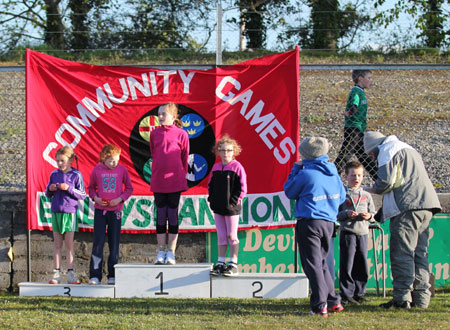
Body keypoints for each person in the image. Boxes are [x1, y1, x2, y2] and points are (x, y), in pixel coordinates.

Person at [363, 131, 441, 309]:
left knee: (402, 253)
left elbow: (385, 182)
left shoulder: (387, 149)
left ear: (375, 148)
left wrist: (369, 189)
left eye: (371, 155)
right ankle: (421, 300)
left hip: (407, 208)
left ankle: (402, 298)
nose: (373, 160)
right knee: (420, 254)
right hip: (427, 205)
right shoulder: (408, 148)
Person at [284, 137, 346, 317]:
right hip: (329, 223)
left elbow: (289, 190)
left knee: (313, 265)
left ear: (307, 155)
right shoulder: (333, 172)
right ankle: (333, 300)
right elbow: (341, 197)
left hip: (309, 222)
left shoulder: (306, 174)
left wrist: (295, 169)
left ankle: (320, 306)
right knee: (323, 263)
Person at [150, 103, 189, 265]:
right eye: (158, 114)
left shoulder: (182, 134)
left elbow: (185, 158)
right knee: (160, 215)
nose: (160, 117)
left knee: (172, 215)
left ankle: (171, 252)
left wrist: (179, 175)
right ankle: (161, 251)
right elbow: (154, 153)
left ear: (173, 117)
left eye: (163, 114)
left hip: (175, 181)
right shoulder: (154, 134)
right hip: (159, 181)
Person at [88, 144, 133, 285]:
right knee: (98, 243)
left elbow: (129, 188)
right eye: (111, 161)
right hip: (100, 211)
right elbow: (91, 188)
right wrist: (96, 198)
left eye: (117, 160)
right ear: (104, 159)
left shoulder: (122, 170)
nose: (115, 163)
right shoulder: (97, 170)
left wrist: (119, 199)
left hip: (116, 212)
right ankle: (95, 275)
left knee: (114, 243)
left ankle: (112, 274)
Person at [45, 146, 86, 284]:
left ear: (70, 161)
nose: (59, 163)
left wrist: (68, 188)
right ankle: (56, 273)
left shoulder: (76, 175)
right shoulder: (54, 174)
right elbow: (47, 193)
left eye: (62, 160)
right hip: (56, 212)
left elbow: (82, 195)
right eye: (57, 161)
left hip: (70, 213)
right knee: (57, 244)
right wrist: (50, 189)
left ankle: (70, 273)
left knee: (69, 245)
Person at [208, 135, 247, 277]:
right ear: (218, 151)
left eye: (229, 150)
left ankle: (233, 263)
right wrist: (212, 199)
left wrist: (234, 202)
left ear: (234, 151)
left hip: (232, 208)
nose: (226, 153)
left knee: (232, 235)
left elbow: (242, 188)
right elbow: (210, 185)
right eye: (223, 150)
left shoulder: (237, 167)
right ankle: (220, 262)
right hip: (218, 207)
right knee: (221, 236)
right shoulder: (216, 167)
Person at [337, 161, 375, 305]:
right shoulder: (343, 194)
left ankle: (360, 292)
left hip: (363, 233)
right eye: (353, 175)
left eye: (359, 175)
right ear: (346, 176)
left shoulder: (366, 195)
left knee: (362, 263)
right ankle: (347, 293)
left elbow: (373, 212)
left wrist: (369, 216)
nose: (356, 179)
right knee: (347, 264)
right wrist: (346, 213)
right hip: (348, 232)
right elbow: (336, 214)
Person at [335, 70, 377, 180]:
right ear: (360, 78)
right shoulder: (356, 91)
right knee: (346, 153)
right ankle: (332, 176)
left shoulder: (361, 92)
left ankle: (377, 177)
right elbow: (354, 103)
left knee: (363, 155)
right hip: (353, 128)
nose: (370, 81)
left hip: (359, 129)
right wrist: (352, 110)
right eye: (368, 78)